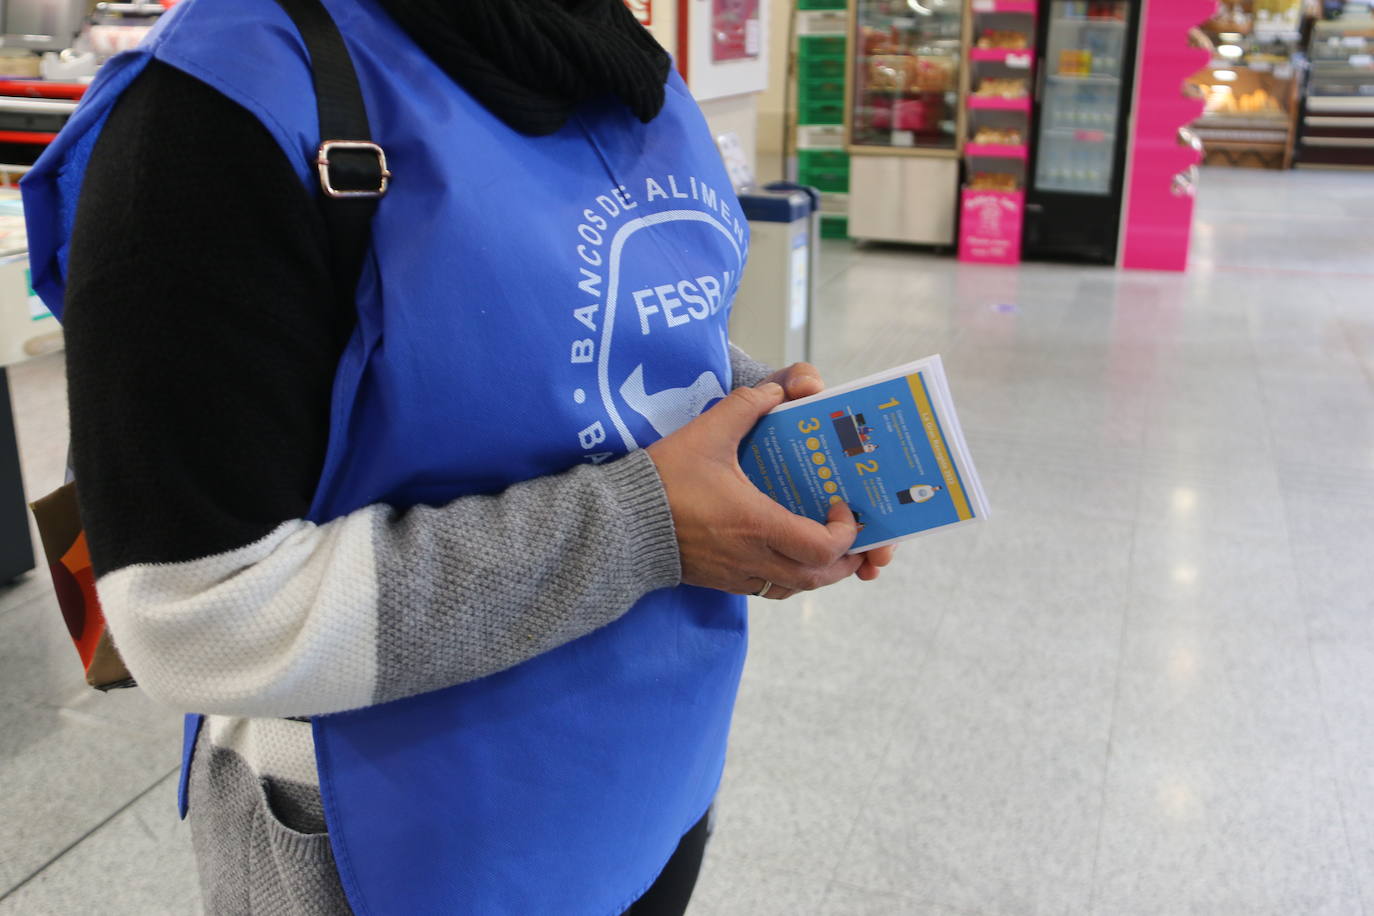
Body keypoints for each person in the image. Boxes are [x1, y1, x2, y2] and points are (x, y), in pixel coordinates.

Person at [23, 0, 896, 912]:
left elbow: (596, 349)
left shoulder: (619, 62)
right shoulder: (220, 105)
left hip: (653, 769)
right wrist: (649, 527)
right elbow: (197, 616)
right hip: (409, 841)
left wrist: (760, 424)